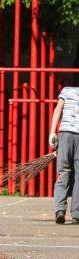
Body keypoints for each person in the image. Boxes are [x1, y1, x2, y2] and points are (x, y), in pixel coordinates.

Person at [49, 87, 79, 224]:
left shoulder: (66, 91)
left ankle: (60, 209)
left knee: (63, 172)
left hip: (65, 133)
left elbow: (58, 110)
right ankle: (76, 214)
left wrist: (52, 132)